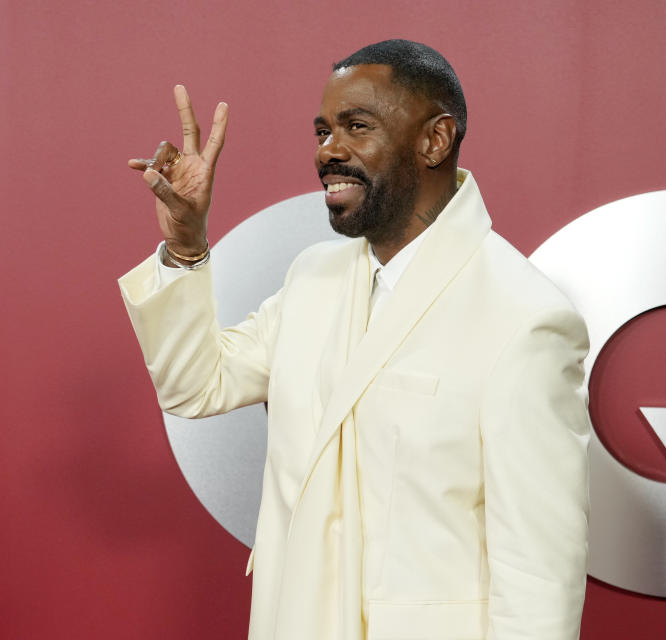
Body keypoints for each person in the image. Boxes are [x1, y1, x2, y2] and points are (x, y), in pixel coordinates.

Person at [120, 40, 590, 640]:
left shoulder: (524, 317)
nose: (329, 151)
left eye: (356, 126)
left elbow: (538, 576)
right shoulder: (313, 277)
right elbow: (195, 386)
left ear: (434, 140)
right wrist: (186, 247)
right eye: (321, 132)